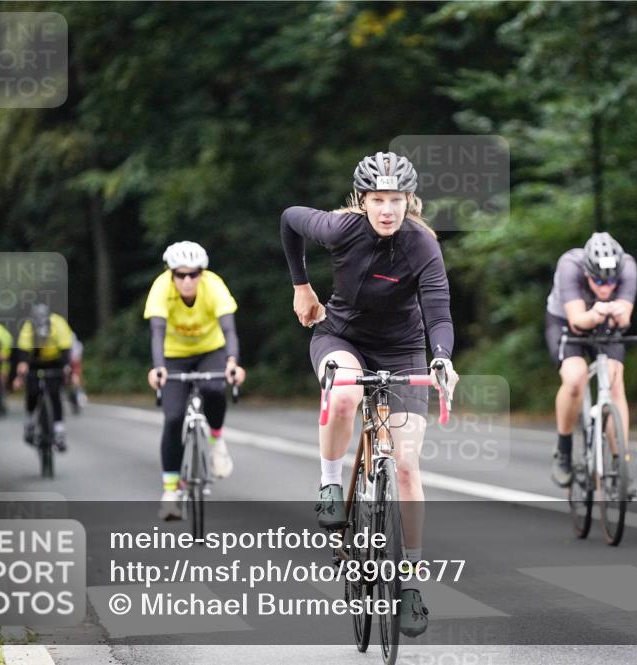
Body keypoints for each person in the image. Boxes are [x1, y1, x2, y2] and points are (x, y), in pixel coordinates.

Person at [280, 150, 459, 638]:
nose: (386, 210)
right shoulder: (341, 228)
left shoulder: (422, 244)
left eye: (395, 200)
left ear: (409, 201)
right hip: (342, 337)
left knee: (405, 465)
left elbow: (438, 312)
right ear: (362, 201)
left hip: (403, 351)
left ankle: (409, 586)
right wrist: (302, 286)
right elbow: (289, 220)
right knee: (342, 394)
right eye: (377, 200)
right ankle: (330, 484)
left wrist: (441, 357)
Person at [144, 241, 246, 521]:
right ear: (171, 274)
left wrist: (232, 363)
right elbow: (156, 332)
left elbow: (229, 329)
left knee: (214, 389)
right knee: (174, 417)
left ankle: (215, 442)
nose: (187, 280)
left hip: (209, 351)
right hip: (173, 356)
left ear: (202, 272)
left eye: (194, 273)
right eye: (180, 274)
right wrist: (159, 368)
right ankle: (170, 493)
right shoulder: (161, 288)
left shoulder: (213, 285)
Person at [545, 232, 637, 487]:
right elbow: (577, 321)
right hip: (566, 321)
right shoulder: (569, 266)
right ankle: (564, 450)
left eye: (612, 282)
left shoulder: (628, 266)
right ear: (586, 272)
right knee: (576, 378)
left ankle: (620, 463)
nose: (606, 287)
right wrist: (596, 312)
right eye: (598, 280)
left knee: (615, 381)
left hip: (604, 322)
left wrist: (618, 314)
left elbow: (625, 319)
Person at [13, 304, 73, 451]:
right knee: (32, 392)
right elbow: (22, 350)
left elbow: (66, 347)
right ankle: (29, 421)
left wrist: (66, 366)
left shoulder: (58, 323)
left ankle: (59, 430)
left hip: (54, 361)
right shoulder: (28, 327)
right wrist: (22, 365)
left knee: (54, 393)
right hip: (34, 362)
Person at [67, 332, 87, 413]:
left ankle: (80, 394)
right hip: (66, 363)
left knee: (76, 379)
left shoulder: (77, 345)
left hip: (74, 364)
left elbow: (76, 360)